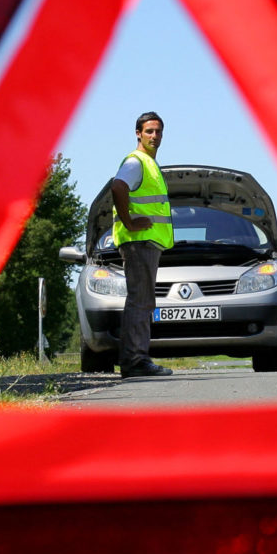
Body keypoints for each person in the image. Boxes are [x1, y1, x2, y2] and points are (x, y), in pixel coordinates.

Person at [110, 111, 174, 378]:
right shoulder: (136, 162)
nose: (154, 136)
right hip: (139, 242)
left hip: (147, 243)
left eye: (158, 131)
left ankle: (135, 359)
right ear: (138, 133)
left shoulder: (150, 164)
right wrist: (129, 222)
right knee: (140, 301)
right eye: (149, 131)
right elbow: (118, 187)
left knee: (143, 300)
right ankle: (135, 361)